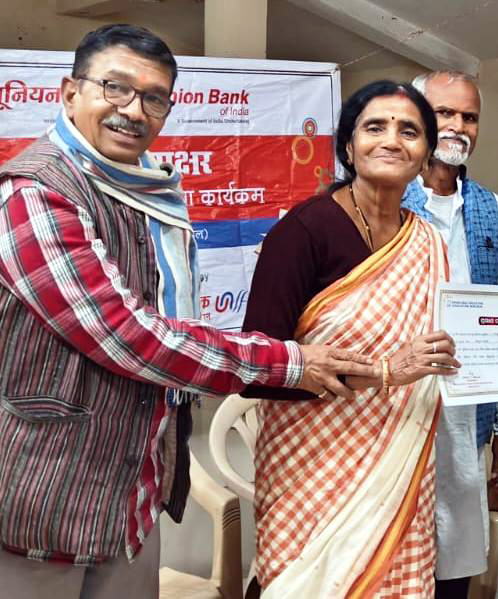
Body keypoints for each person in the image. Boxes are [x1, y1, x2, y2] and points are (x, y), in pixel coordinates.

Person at [0, 24, 373, 599]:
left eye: (154, 98)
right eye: (115, 88)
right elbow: (126, 334)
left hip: (130, 494)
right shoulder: (35, 195)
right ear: (71, 93)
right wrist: (290, 363)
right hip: (47, 494)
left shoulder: (150, 192)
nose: (134, 111)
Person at [241, 80, 462, 598]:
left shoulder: (427, 243)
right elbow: (258, 368)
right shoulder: (303, 232)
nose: (392, 140)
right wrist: (384, 373)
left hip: (400, 460)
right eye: (375, 127)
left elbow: (437, 346)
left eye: (409, 131)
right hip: (309, 468)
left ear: (426, 155)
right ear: (348, 146)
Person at [403, 70, 498, 597]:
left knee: (453, 560)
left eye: (469, 116)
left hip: (464, 418)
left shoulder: (491, 210)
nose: (458, 126)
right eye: (444, 113)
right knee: (397, 553)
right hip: (394, 411)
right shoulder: (384, 200)